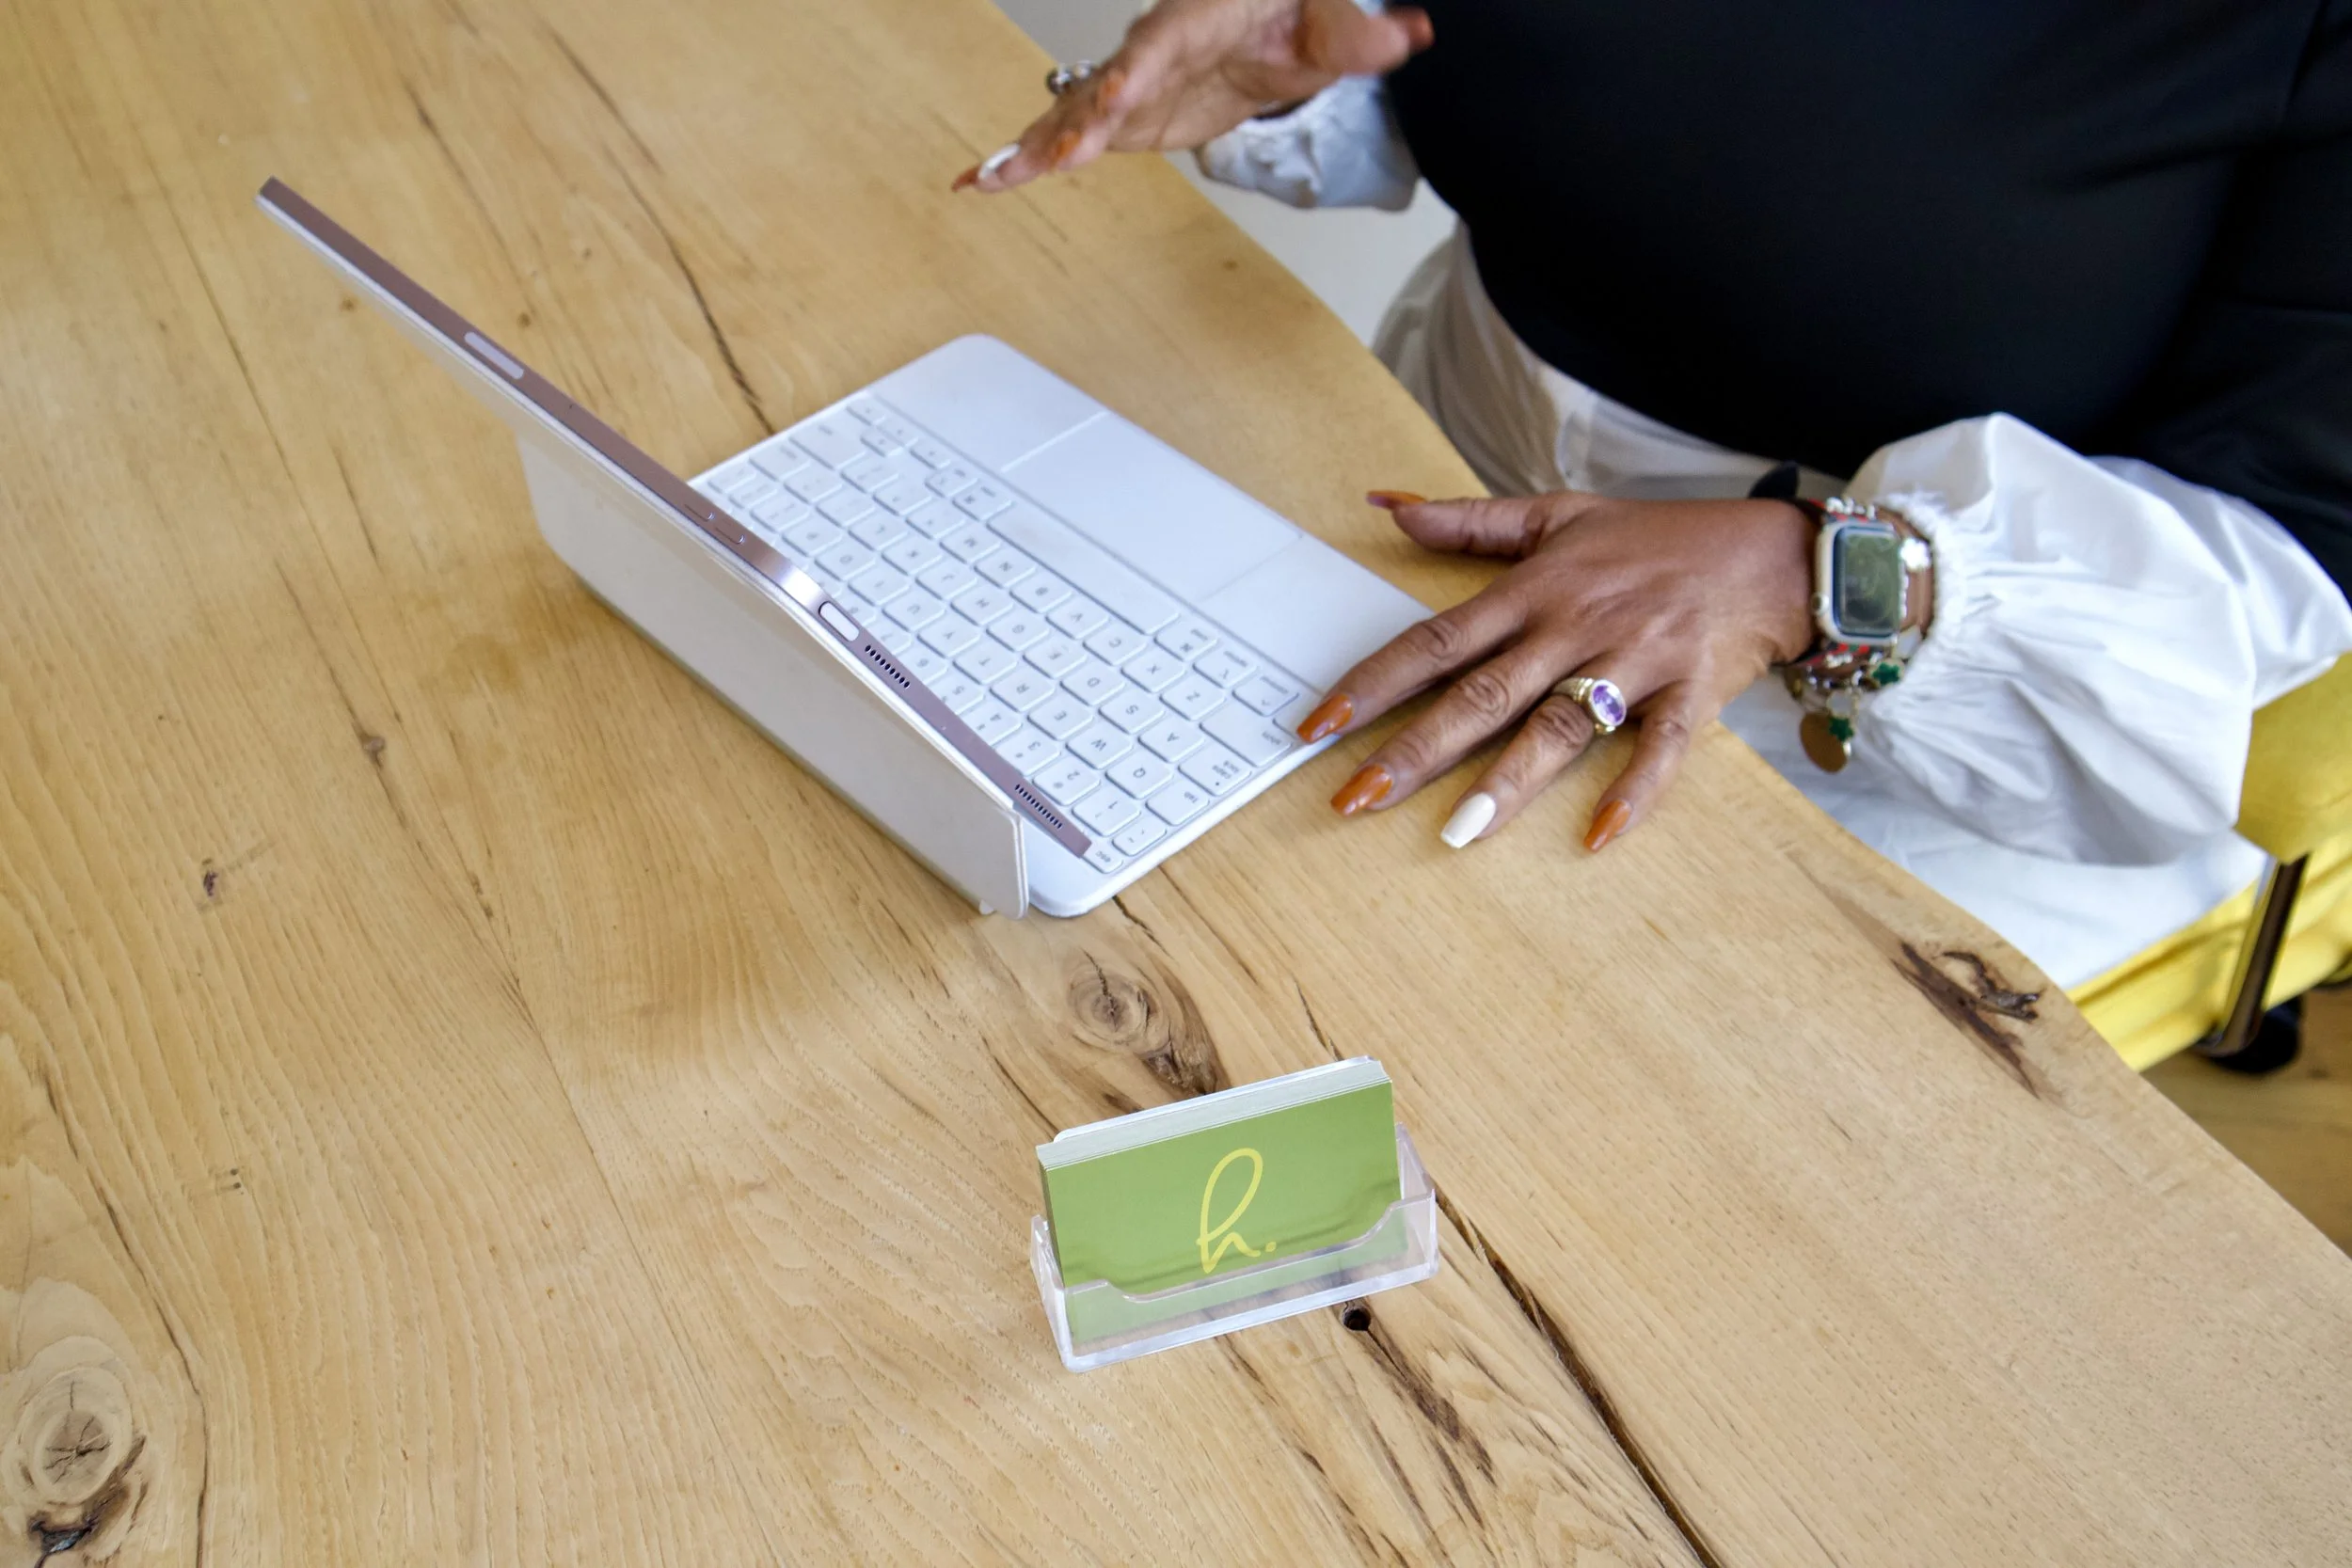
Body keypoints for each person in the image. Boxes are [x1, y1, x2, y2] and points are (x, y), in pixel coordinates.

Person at [958, 0, 2352, 992]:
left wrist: (1813, 578)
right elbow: (1526, 79)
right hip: (1417, 478)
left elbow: (2287, 542)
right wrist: (1288, 67)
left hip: (1902, 736)